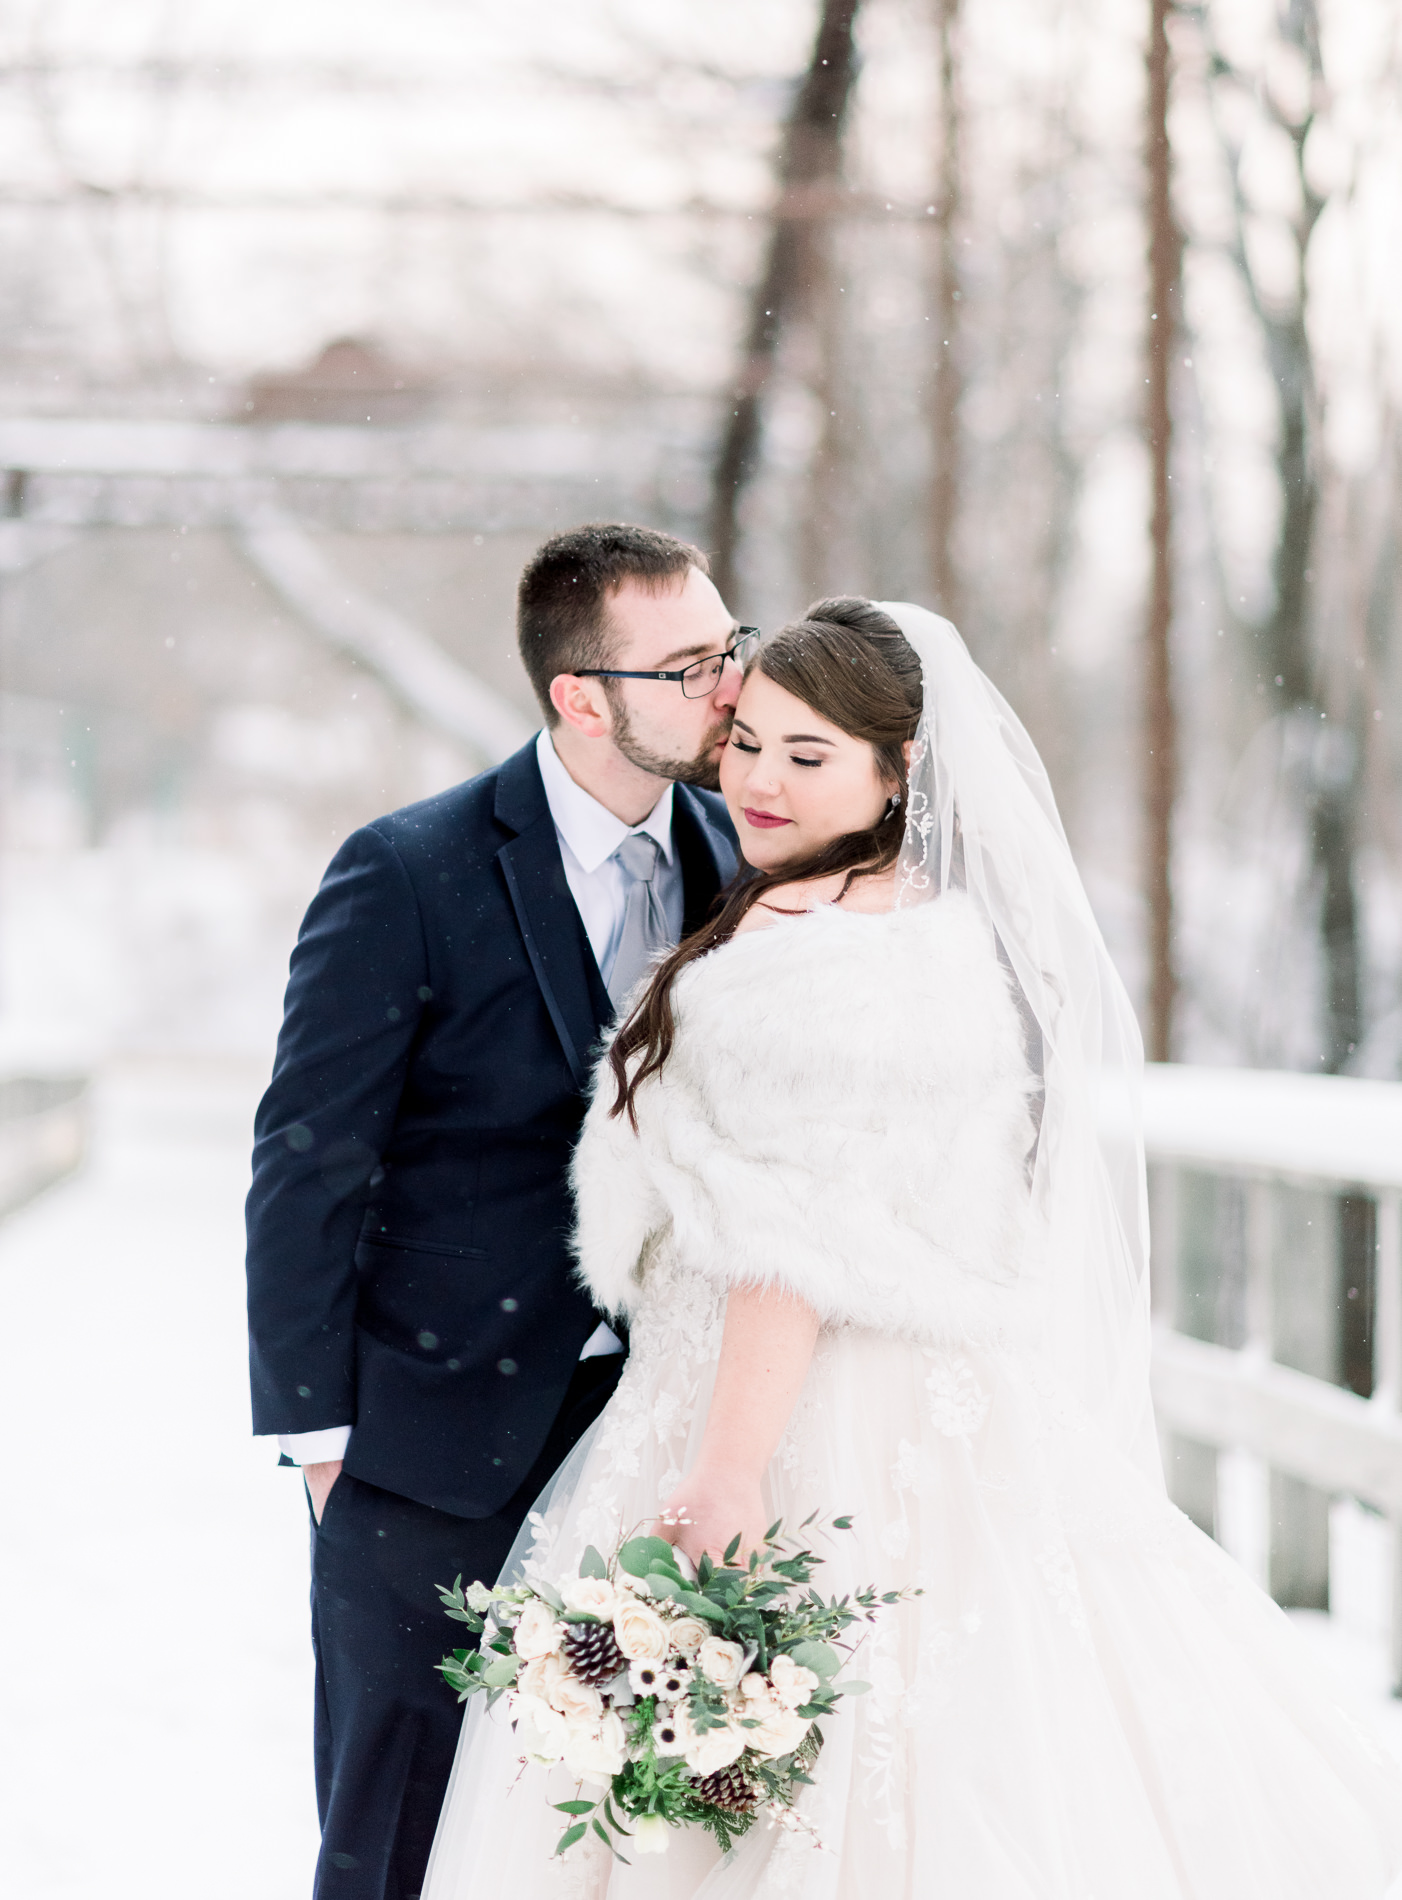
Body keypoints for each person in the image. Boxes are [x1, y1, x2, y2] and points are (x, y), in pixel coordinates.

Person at [422, 598, 1402, 1900]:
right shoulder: (911, 923)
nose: (758, 780)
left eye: (808, 756)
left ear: (895, 774)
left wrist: (723, 1471)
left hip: (782, 1409)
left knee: (775, 1776)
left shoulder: (810, 950)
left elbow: (783, 1247)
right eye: (749, 741)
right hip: (916, 1401)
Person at [245, 522, 743, 1900]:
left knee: (623, 1827)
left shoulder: (741, 865)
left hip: (660, 1431)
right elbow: (306, 1155)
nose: (728, 689)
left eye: (728, 649)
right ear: (580, 695)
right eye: (688, 663)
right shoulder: (406, 870)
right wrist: (322, 1439)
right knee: (395, 1827)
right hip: (429, 1444)